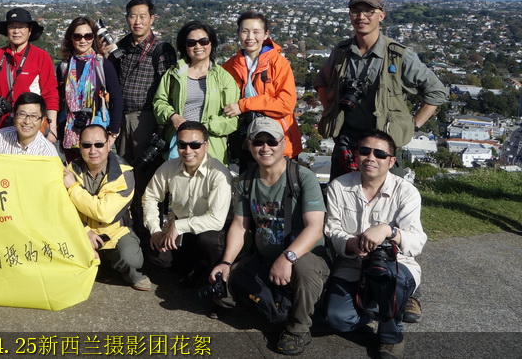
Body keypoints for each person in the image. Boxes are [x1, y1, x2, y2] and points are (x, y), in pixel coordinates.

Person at [209, 118, 329, 356]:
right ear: (249, 145)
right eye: (258, 142)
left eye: (272, 141)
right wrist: (226, 263)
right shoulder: (246, 180)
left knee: (303, 270)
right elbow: (240, 227)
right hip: (264, 258)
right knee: (221, 293)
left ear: (283, 143)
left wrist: (287, 257)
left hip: (303, 257)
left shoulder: (302, 177)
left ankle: (298, 328)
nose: (265, 147)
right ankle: (277, 304)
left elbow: (315, 228)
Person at [315, 0, 448, 181]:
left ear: (381, 16)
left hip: (383, 145)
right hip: (347, 141)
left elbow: (436, 92)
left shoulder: (398, 55)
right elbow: (321, 81)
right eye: (355, 11)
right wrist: (330, 110)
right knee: (340, 195)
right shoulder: (342, 52)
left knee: (387, 197)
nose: (361, 17)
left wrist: (412, 126)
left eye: (369, 11)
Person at [323, 131, 426, 359]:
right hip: (353, 263)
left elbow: (416, 241)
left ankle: (391, 337)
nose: (371, 158)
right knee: (337, 319)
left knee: (392, 281)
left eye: (379, 154)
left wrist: (389, 231)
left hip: (396, 264)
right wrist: (350, 243)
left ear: (391, 161)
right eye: (364, 151)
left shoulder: (406, 192)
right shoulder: (338, 187)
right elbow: (332, 228)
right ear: (356, 155)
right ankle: (380, 309)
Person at [142, 121, 231, 294]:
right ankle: (190, 268)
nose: (188, 151)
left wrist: (178, 225)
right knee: (157, 256)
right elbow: (150, 197)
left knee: (208, 241)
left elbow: (216, 220)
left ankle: (210, 271)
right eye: (182, 145)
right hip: (181, 231)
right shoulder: (168, 167)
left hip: (209, 230)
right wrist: (155, 230)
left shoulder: (219, 173)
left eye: (195, 145)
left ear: (206, 146)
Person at [63, 124, 149, 291]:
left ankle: (126, 271)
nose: (93, 150)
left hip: (114, 232)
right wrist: (84, 230)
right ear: (79, 146)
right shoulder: (70, 170)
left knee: (131, 259)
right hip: (79, 230)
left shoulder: (125, 173)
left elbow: (104, 213)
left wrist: (73, 187)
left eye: (99, 144)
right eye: (86, 145)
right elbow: (62, 207)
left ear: (109, 144)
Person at [101, 0, 177, 165]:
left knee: (146, 168)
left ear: (152, 19)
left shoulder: (161, 50)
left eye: (142, 16)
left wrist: (162, 128)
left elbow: (170, 91)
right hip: (121, 116)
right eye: (133, 16)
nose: (137, 22)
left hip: (146, 118)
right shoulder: (123, 46)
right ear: (127, 18)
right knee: (123, 167)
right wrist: (106, 57)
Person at [222, 10, 302, 171]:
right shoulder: (230, 66)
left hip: (278, 142)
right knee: (249, 184)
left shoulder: (278, 63)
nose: (250, 37)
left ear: (266, 34)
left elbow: (286, 104)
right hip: (247, 143)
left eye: (256, 32)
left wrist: (243, 105)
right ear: (238, 33)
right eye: (245, 31)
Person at [152, 21, 239, 163]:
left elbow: (233, 119)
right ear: (184, 46)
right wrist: (173, 116)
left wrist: (205, 127)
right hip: (178, 145)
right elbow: (159, 102)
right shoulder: (174, 74)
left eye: (203, 41)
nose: (198, 46)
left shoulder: (224, 78)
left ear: (211, 43)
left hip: (211, 147)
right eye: (191, 43)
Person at [0, 8, 58, 139]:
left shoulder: (41, 57)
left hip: (31, 127)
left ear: (30, 31)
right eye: (12, 27)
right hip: (0, 127)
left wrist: (52, 128)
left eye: (21, 27)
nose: (16, 31)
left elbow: (50, 93)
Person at [56, 16, 123, 161]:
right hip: (70, 131)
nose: (83, 40)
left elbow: (117, 99)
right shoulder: (64, 66)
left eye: (88, 36)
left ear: (93, 38)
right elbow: (58, 100)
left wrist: (113, 133)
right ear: (70, 38)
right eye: (77, 36)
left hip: (96, 132)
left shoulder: (102, 65)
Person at [0, 92, 61, 158]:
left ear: (42, 121)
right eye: (22, 114)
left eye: (33, 116)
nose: (27, 122)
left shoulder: (48, 152)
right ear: (14, 116)